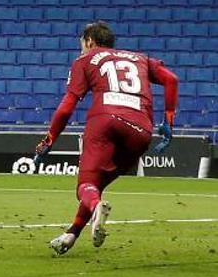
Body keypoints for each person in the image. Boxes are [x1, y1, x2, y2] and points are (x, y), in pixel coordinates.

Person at [36, 21, 179, 256]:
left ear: (90, 41)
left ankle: (94, 209)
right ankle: (72, 234)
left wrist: (50, 139)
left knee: (85, 186)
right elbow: (171, 79)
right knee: (96, 185)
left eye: (82, 43)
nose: (81, 48)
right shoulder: (139, 58)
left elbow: (66, 108)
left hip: (105, 121)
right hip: (141, 129)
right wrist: (169, 121)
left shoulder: (85, 60)